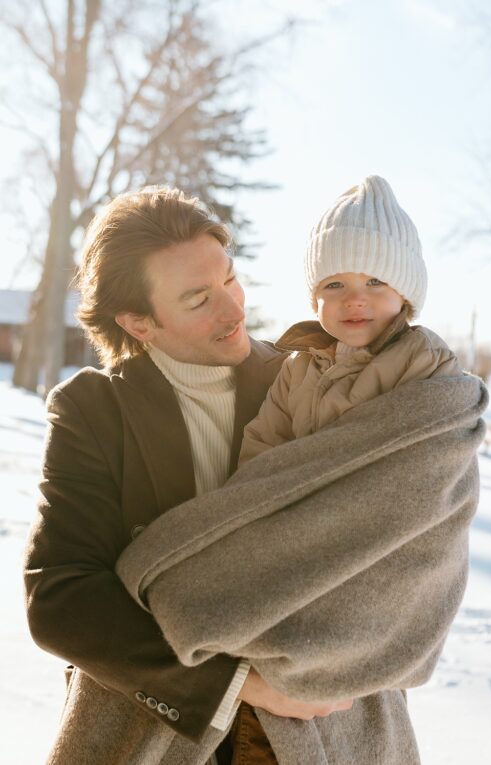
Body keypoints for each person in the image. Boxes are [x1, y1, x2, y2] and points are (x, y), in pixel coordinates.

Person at [22, 188, 356, 764]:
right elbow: (60, 595)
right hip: (151, 727)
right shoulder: (94, 412)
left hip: (310, 733)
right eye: (199, 299)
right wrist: (235, 685)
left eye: (229, 279)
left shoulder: (312, 381)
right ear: (140, 322)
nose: (232, 310)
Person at [238, 175, 463, 465]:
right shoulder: (297, 369)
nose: (355, 299)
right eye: (334, 285)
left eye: (374, 281)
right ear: (314, 298)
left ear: (405, 295)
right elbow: (262, 449)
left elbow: (428, 456)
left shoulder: (422, 358)